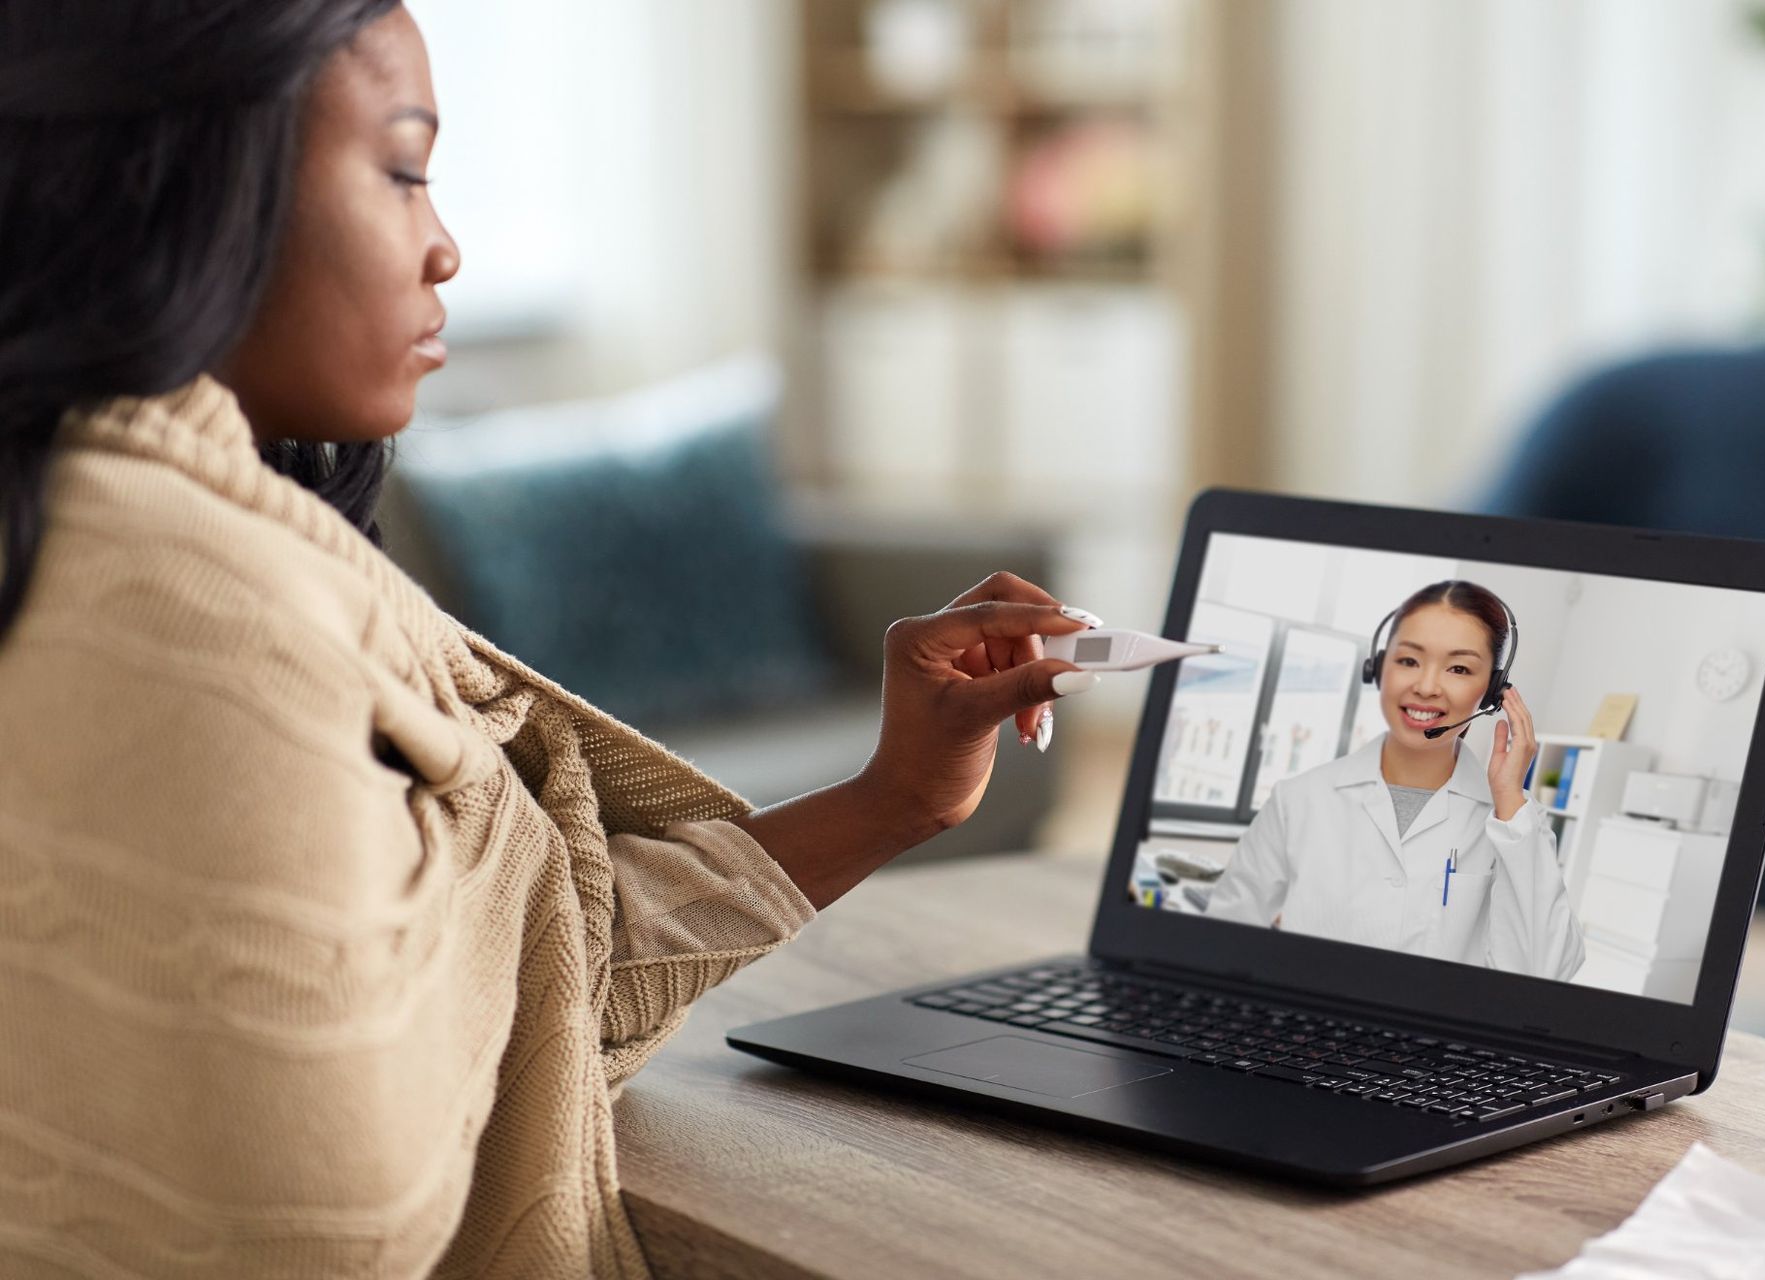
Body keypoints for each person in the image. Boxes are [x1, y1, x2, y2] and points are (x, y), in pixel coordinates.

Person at [0, 4, 1095, 1275]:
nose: (446, 246)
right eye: (404, 170)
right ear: (172, 177)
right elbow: (320, 1190)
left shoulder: (110, 531)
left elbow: (515, 979)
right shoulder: (191, 616)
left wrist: (895, 796)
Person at [1204, 581, 1585, 981]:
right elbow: (1223, 942)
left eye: (1458, 668)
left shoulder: (1515, 823)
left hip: (1435, 1039)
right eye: (1409, 661)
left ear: (1492, 693)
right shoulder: (1299, 800)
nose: (1426, 686)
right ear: (1378, 668)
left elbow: (1547, 971)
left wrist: (1510, 801)